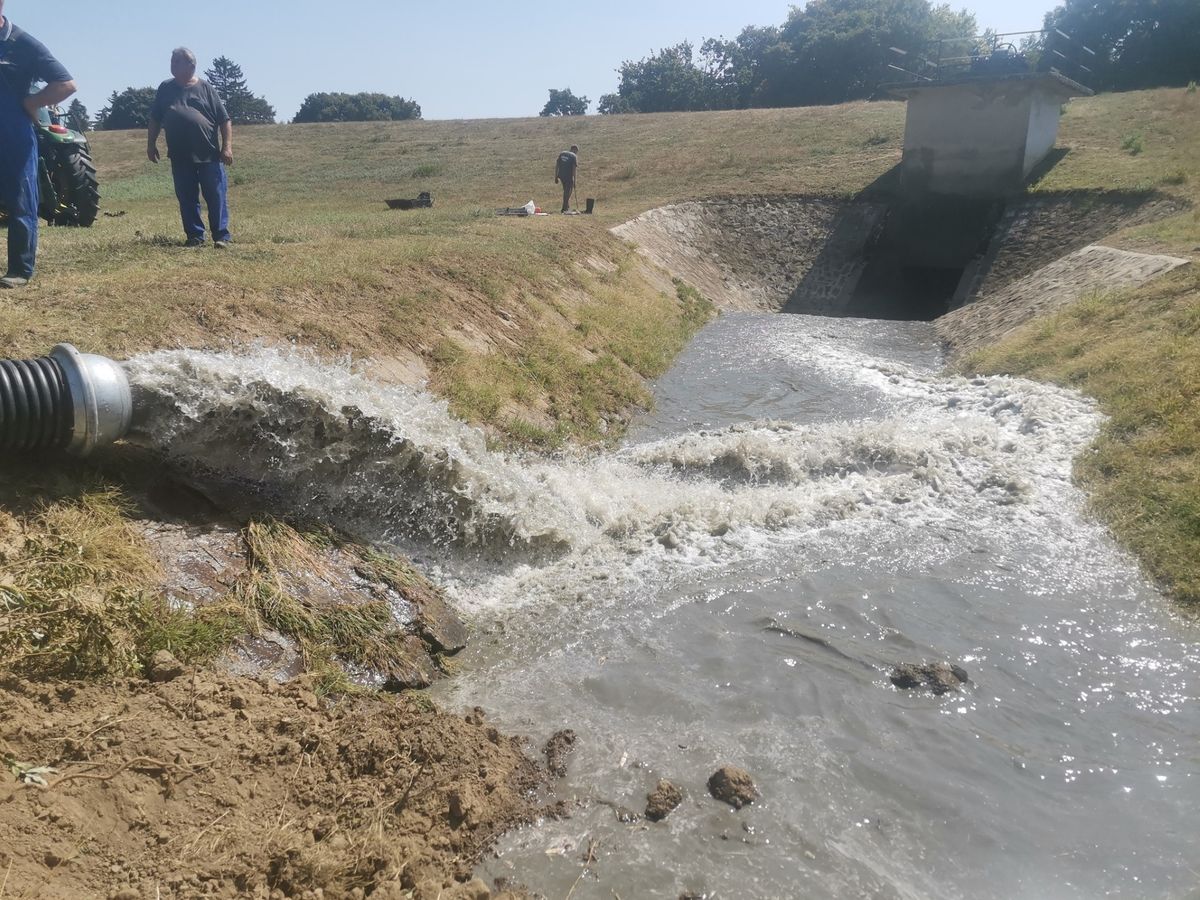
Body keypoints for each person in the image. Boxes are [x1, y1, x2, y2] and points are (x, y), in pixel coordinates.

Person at [0, 0, 76, 288]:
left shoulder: (23, 44)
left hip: (13, 133)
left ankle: (20, 269)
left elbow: (66, 83)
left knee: (21, 200)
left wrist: (31, 102)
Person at [147, 47, 233, 248]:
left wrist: (227, 147)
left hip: (208, 153)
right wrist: (150, 144)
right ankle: (195, 236)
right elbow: (155, 119)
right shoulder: (165, 88)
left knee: (216, 195)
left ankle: (221, 236)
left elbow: (224, 120)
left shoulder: (205, 88)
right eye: (172, 61)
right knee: (186, 196)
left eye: (177, 62)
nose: (172, 65)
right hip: (180, 155)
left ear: (191, 66)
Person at [554, 145, 578, 213]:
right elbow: (574, 169)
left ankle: (567, 206)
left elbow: (557, 165)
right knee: (568, 192)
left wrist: (556, 176)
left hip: (561, 176)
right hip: (568, 177)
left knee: (566, 191)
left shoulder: (562, 153)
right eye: (576, 152)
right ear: (575, 150)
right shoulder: (574, 156)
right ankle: (564, 209)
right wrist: (574, 180)